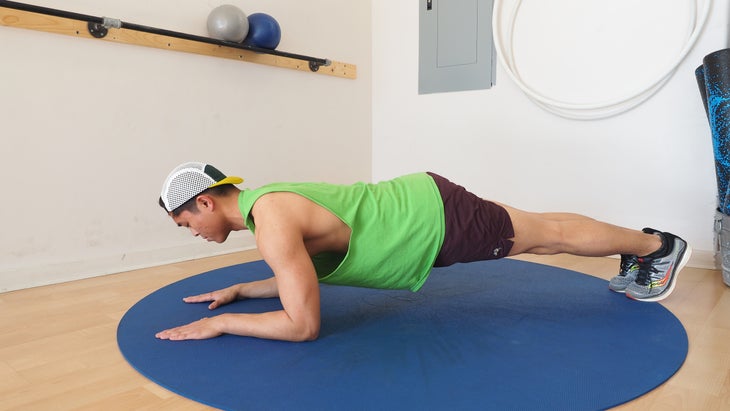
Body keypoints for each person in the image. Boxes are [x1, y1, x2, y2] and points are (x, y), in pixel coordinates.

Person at [154, 162, 691, 342]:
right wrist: (243, 290)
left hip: (432, 222)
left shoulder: (269, 223)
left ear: (204, 202)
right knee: (541, 225)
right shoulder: (266, 205)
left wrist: (221, 325)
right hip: (426, 201)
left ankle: (657, 247)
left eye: (186, 223)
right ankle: (642, 249)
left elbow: (302, 324)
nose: (192, 233)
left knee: (547, 236)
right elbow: (300, 275)